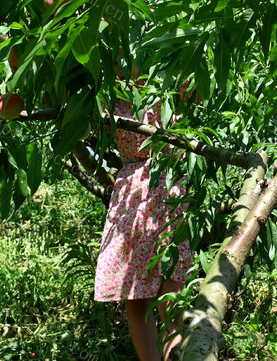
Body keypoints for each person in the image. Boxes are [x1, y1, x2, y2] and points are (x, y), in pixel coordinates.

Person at [94, 68, 195, 361]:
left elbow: (200, 89)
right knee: (135, 295)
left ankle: (176, 354)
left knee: (170, 291)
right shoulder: (107, 91)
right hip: (132, 195)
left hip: (168, 188)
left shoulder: (170, 78)